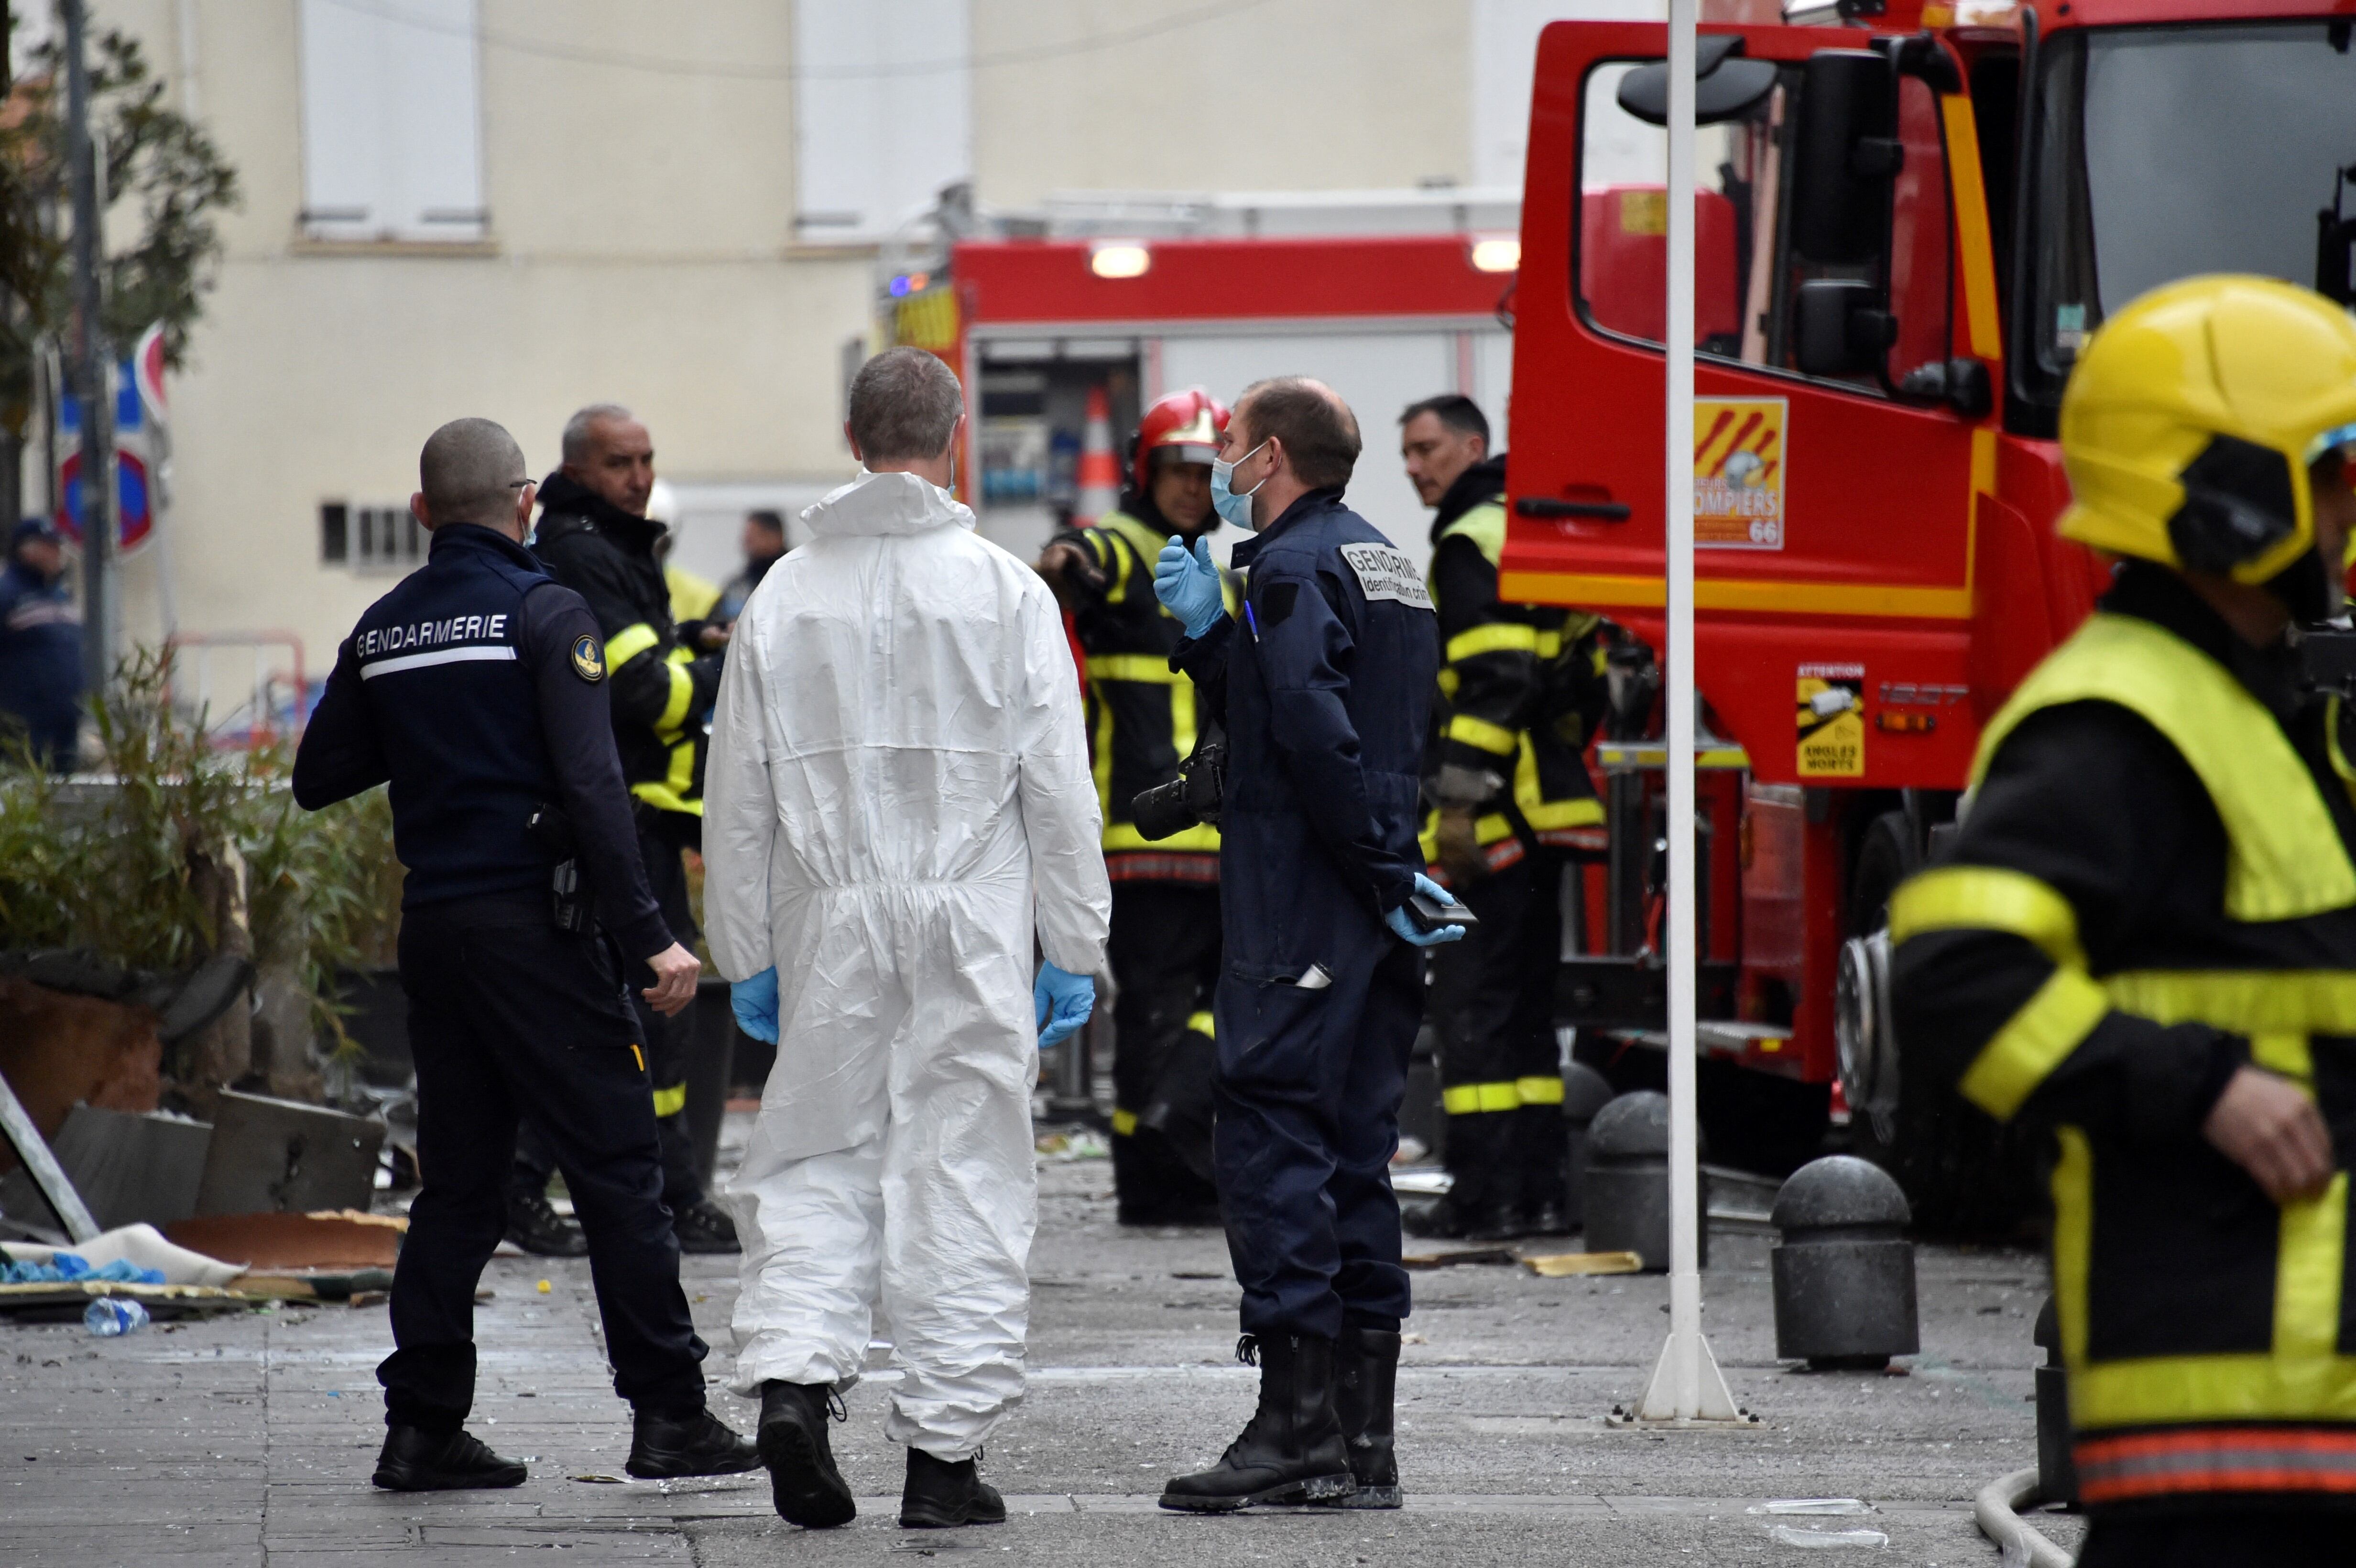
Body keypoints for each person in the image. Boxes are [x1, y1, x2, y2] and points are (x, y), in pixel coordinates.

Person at [1889, 275, 2356, 1568]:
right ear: (2232, 489)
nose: (2350, 508)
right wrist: (2202, 1083)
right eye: (2331, 472)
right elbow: (1952, 976)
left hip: (2300, 1396)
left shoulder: (2256, 703)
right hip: (2229, 1408)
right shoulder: (2119, 721)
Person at [292, 418, 757, 1492]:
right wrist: (653, 937)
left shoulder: (384, 626)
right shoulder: (547, 611)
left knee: (459, 1188)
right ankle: (671, 1416)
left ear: (422, 514)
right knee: (620, 1175)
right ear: (522, 501)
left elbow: (320, 773)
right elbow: (596, 788)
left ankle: (420, 1428)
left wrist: (436, 735)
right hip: (538, 935)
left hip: (437, 936)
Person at [702, 347, 1110, 1532]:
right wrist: (1073, 942)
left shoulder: (780, 594)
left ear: (849, 437)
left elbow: (741, 794)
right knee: (965, 1172)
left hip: (826, 915)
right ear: (957, 433)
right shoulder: (1005, 591)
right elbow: (1056, 786)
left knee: (815, 1156)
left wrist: (747, 948)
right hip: (971, 914)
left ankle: (792, 1378)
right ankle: (943, 1458)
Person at [1150, 377, 1463, 1514]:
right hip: (1373, 902)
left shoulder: (1286, 567)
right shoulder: (1387, 558)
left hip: (1306, 896)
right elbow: (1345, 714)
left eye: (1230, 446)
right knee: (1353, 1152)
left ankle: (1292, 1429)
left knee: (1273, 1139)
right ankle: (1360, 1441)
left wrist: (1376, 867)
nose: (1220, 463)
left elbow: (1312, 736)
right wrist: (1211, 639)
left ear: (1272, 453)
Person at [1397, 395, 1609, 1241]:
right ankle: (1540, 1194)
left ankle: (1483, 1198)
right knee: (1524, 1020)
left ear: (1473, 446)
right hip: (1542, 811)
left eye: (1427, 449)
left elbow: (1494, 681)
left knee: (1472, 1013)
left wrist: (1457, 801)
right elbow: (1578, 684)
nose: (1415, 467)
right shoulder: (1532, 529)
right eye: (1407, 454)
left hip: (1489, 824)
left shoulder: (1466, 542)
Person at [528, 404, 738, 1254]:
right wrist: (736, 666)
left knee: (644, 1014)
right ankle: (648, 1190)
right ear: (579, 472)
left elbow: (642, 652)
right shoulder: (584, 552)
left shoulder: (609, 545)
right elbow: (641, 693)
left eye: (647, 459)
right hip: (619, 819)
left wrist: (692, 637)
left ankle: (662, 1188)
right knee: (642, 1010)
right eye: (621, 463)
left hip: (636, 820)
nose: (641, 476)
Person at [1035, 387, 1233, 1225]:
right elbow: (1086, 555)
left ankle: (1171, 1150)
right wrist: (1064, 563)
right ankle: (1152, 1183)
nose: (1190, 487)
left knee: (1221, 1003)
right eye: (1175, 470)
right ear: (1143, 474)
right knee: (1155, 1015)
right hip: (1146, 834)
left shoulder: (1217, 573)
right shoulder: (1131, 548)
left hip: (1218, 837)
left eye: (1204, 471)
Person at [0, 517, 82, 772]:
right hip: (23, 727)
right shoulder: (7, 594)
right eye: (51, 547)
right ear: (27, 550)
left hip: (65, 724)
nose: (58, 554)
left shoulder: (60, 596)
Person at [713, 509, 787, 625]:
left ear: (777, 537)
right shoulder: (737, 588)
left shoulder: (796, 580)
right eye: (747, 538)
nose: (746, 543)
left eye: (754, 537)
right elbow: (715, 624)